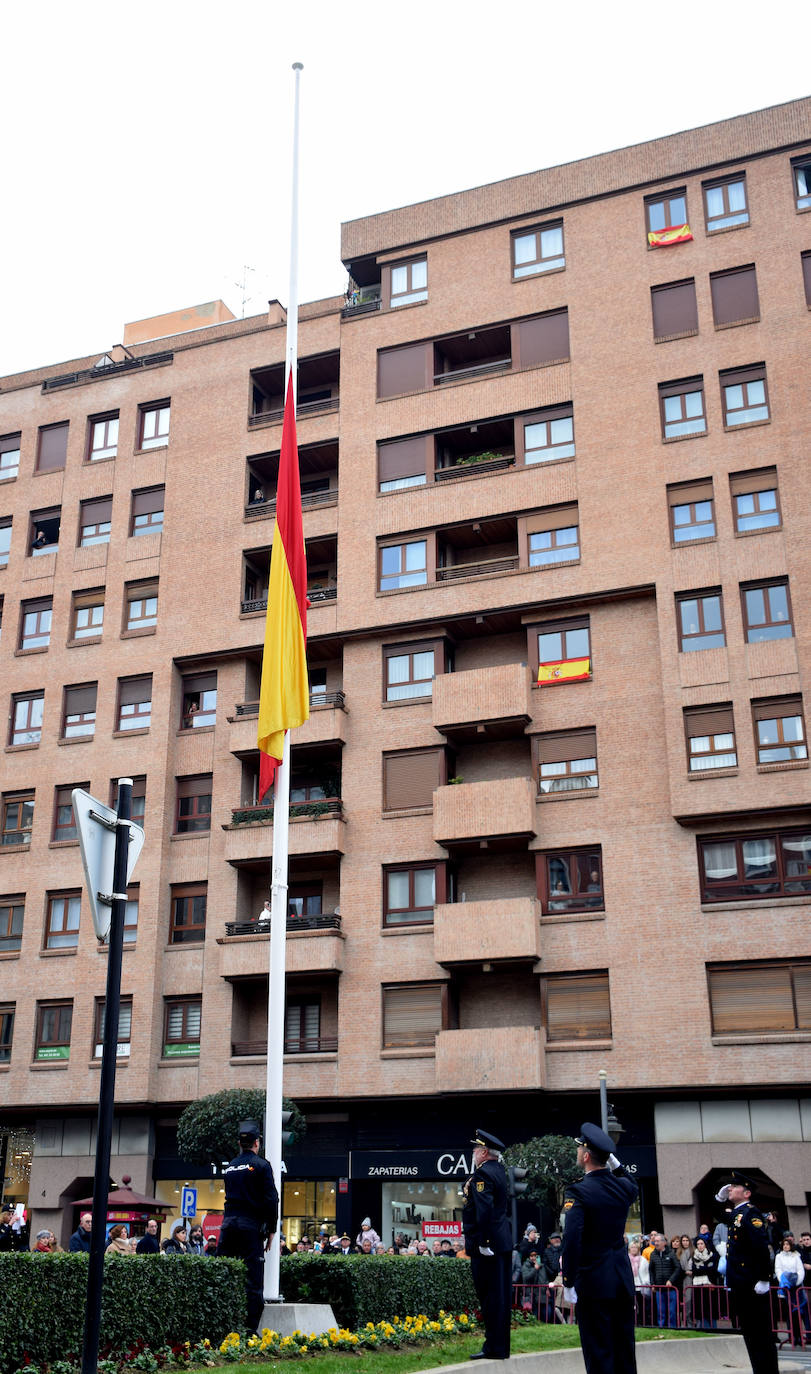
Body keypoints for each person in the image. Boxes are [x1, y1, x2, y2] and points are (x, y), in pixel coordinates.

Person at [560, 1121, 638, 1374]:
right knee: (624, 1349)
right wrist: (615, 1164)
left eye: (579, 1150)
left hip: (594, 1281)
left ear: (585, 1156)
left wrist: (569, 1280)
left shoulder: (579, 1191)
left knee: (599, 1351)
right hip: (621, 1279)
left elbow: (572, 1237)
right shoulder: (623, 1188)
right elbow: (631, 1183)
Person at [217, 1120, 278, 1335]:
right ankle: (251, 1330)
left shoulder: (231, 1166)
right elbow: (271, 1200)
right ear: (257, 1143)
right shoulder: (262, 1165)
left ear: (239, 1143)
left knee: (224, 1273)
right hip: (249, 1227)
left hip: (228, 1225)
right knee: (253, 1279)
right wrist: (271, 1229)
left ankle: (222, 1324)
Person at [718, 1171, 778, 1374]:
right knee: (750, 1333)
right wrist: (720, 1199)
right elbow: (722, 1216)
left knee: (760, 1332)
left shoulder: (751, 1213)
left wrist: (764, 1278)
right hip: (739, 1282)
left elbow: (761, 1247)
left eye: (734, 1187)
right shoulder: (738, 1212)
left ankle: (767, 1371)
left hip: (751, 1282)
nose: (730, 1189)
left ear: (746, 1193)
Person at [462, 1127, 513, 1361]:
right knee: (500, 1298)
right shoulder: (500, 1170)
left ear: (483, 1152)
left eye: (475, 1148)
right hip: (501, 1242)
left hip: (487, 1247)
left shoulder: (482, 1174)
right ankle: (500, 1347)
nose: (473, 1152)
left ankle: (493, 1347)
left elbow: (484, 1211)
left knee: (490, 1298)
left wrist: (483, 1242)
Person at [775, 1238, 807, 1346]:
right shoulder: (779, 1257)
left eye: (787, 1244)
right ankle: (791, 1336)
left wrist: (796, 1282)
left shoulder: (796, 1256)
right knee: (789, 1313)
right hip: (785, 1287)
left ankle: (799, 1336)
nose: (785, 1246)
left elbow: (800, 1270)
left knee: (798, 1312)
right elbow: (778, 1270)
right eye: (784, 1244)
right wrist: (784, 1282)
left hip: (796, 1287)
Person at [648, 1235, 681, 1327]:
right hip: (659, 1288)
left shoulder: (671, 1253)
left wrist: (671, 1280)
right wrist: (653, 1283)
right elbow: (651, 1270)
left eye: (658, 1241)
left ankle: (673, 1328)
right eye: (655, 1241)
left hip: (671, 1288)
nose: (656, 1243)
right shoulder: (653, 1254)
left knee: (672, 1311)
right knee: (660, 1311)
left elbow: (678, 1268)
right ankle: (661, 1328)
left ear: (664, 1243)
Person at [691, 1236, 719, 1329]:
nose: (700, 1246)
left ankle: (713, 1328)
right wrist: (705, 1268)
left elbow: (713, 1270)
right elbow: (694, 1271)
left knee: (710, 1308)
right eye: (698, 1244)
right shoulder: (694, 1256)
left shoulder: (712, 1256)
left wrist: (702, 1269)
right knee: (700, 1308)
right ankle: (703, 1328)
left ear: (705, 1245)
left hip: (709, 1285)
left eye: (701, 1243)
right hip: (698, 1286)